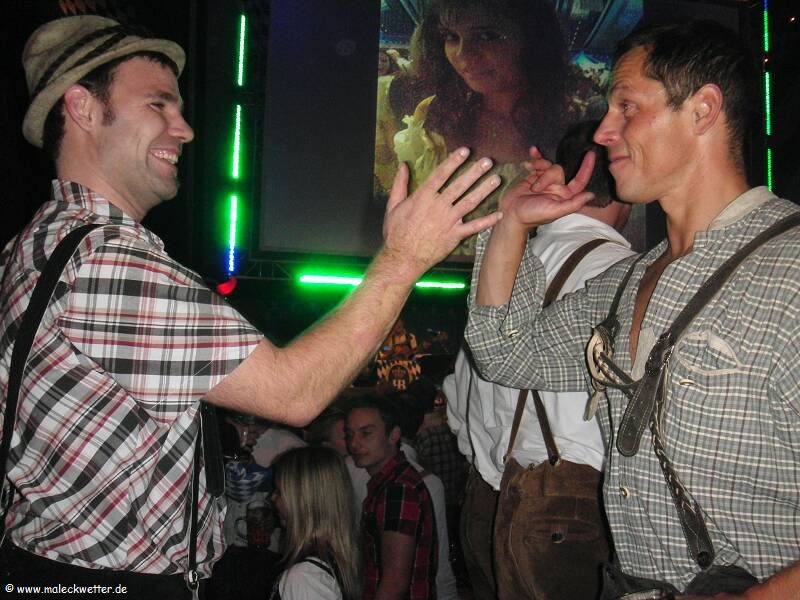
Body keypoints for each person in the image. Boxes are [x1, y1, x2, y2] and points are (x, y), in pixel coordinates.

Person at [0, 15, 502, 594]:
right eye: (158, 105)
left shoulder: (37, 243)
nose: (184, 129)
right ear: (83, 108)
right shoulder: (107, 261)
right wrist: (405, 257)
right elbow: (294, 392)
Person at [465, 19, 800, 598]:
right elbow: (505, 353)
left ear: (702, 110)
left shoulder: (790, 271)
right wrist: (512, 223)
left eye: (626, 107)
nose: (604, 132)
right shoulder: (629, 281)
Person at [446, 120, 634, 600]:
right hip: (571, 511)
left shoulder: (502, 265)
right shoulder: (626, 274)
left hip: (486, 503)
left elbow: (459, 400)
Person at [393, 0, 577, 255]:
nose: (463, 54)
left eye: (487, 36)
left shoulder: (572, 129)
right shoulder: (436, 114)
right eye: (451, 36)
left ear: (532, 40)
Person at [345, 394, 437, 600]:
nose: (354, 444)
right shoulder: (391, 481)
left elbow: (394, 583)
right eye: (349, 435)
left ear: (393, 435)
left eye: (366, 433)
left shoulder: (398, 488)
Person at [269, 446, 360, 600]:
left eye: (279, 492)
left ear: (302, 501)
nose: (273, 498)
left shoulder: (304, 578)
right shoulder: (335, 556)